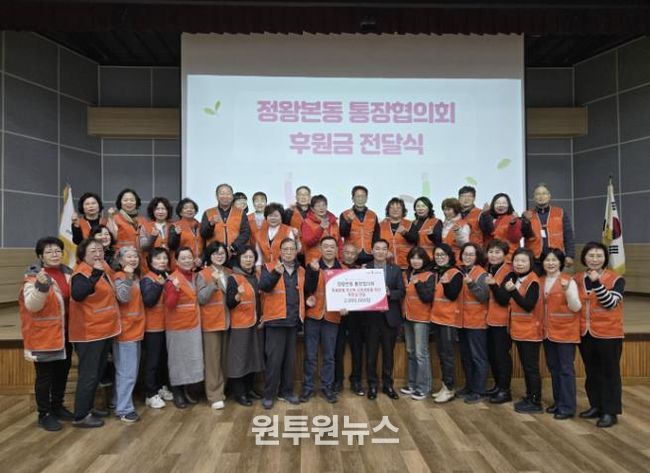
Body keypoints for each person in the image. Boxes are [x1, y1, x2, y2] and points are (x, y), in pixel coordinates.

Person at [18, 237, 73, 431]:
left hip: (66, 333)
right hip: (44, 336)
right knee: (44, 377)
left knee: (62, 372)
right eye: (49, 252)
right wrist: (41, 288)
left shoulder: (68, 273)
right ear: (41, 257)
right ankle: (44, 414)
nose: (54, 255)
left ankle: (57, 407)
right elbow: (32, 306)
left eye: (57, 251)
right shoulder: (33, 277)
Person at [69, 238, 120, 428]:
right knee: (88, 375)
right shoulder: (81, 273)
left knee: (97, 373)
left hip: (103, 330)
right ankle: (81, 415)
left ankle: (88, 408)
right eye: (93, 251)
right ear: (83, 255)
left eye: (100, 250)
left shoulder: (103, 268)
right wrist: (95, 274)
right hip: (88, 333)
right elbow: (78, 294)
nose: (98, 254)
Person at [576, 242, 625, 428]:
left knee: (609, 373)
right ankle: (596, 405)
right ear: (584, 258)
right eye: (591, 255)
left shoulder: (616, 279)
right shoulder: (577, 278)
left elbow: (610, 303)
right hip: (585, 332)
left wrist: (597, 283)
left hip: (609, 334)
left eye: (599, 256)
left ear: (605, 258)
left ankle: (610, 412)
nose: (594, 259)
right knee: (592, 371)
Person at [258, 238, 305, 409]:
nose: (289, 252)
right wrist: (275, 274)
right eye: (285, 249)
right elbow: (263, 286)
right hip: (275, 320)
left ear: (296, 251)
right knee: (274, 361)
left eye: (292, 249)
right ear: (280, 251)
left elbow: (304, 292)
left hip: (293, 321)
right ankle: (269, 394)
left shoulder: (301, 270)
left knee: (289, 361)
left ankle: (286, 392)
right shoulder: (268, 267)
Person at [301, 237, 344, 404]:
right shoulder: (312, 266)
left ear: (336, 249)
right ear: (320, 249)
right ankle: (307, 387)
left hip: (332, 317)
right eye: (325, 246)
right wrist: (313, 272)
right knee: (310, 355)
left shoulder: (343, 270)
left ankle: (327, 387)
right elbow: (307, 289)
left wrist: (346, 307)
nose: (329, 249)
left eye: (332, 246)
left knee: (329, 356)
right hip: (313, 316)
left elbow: (349, 294)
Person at [540, 248, 581, 420]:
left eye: (554, 260)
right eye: (547, 260)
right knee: (554, 368)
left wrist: (568, 291)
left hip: (566, 332)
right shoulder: (541, 280)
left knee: (565, 370)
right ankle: (558, 402)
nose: (550, 263)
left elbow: (576, 307)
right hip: (547, 332)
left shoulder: (568, 281)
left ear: (561, 263)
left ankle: (567, 407)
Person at [163, 247, 204, 409]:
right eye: (183, 258)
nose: (187, 261)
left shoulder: (196, 276)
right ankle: (177, 392)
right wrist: (175, 290)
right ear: (177, 261)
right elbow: (170, 304)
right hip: (178, 326)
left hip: (194, 324)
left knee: (192, 359)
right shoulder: (172, 279)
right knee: (177, 361)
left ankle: (189, 390)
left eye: (189, 258)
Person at [504, 248, 544, 414]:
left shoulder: (533, 281)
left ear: (530, 263)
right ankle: (530, 396)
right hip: (520, 330)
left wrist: (512, 291)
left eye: (523, 261)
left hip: (530, 332)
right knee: (527, 367)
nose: (519, 264)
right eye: (516, 261)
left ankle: (535, 401)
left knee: (531, 367)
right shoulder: (518, 278)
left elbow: (528, 305)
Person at [364, 239, 405, 400]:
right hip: (371, 318)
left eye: (383, 249)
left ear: (388, 252)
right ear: (372, 251)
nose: (380, 252)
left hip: (389, 318)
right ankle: (372, 385)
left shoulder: (395, 269)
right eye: (377, 249)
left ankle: (388, 385)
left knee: (389, 355)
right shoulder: (365, 268)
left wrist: (390, 293)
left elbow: (401, 291)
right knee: (371, 355)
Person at [226, 245, 264, 406]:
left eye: (251, 257)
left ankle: (249, 389)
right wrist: (237, 296)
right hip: (239, 324)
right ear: (239, 259)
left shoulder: (255, 276)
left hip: (255, 323)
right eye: (245, 257)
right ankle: (239, 393)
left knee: (252, 357)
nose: (248, 260)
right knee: (239, 359)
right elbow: (229, 303)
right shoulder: (233, 278)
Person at [112, 246, 146, 423]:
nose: (133, 259)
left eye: (135, 256)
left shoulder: (134, 276)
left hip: (135, 329)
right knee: (127, 372)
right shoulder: (120, 277)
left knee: (126, 370)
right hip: (126, 331)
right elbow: (123, 297)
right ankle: (124, 409)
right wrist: (127, 276)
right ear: (120, 260)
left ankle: (118, 402)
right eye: (129, 256)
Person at [196, 242, 231, 410]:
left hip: (227, 321)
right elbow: (201, 298)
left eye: (222, 253)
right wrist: (213, 284)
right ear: (210, 256)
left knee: (224, 359)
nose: (219, 256)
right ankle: (214, 395)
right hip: (211, 323)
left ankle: (222, 390)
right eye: (216, 253)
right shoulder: (203, 274)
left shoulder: (229, 273)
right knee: (212, 361)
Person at [140, 247, 173, 409]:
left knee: (163, 360)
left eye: (165, 258)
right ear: (150, 261)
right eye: (158, 258)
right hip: (152, 327)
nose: (162, 261)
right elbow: (149, 301)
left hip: (166, 325)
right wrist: (159, 285)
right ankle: (150, 393)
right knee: (152, 362)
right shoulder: (148, 279)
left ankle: (161, 387)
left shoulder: (167, 276)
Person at [430, 243, 463, 403]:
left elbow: (452, 295)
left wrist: (445, 283)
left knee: (447, 355)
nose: (440, 258)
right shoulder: (438, 272)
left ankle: (449, 388)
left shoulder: (455, 273)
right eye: (437, 255)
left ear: (449, 256)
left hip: (448, 320)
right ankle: (445, 385)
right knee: (442, 354)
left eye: (443, 255)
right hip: (437, 318)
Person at [457, 243, 490, 404]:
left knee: (478, 357)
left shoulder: (482, 274)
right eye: (465, 254)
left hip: (477, 322)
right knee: (466, 357)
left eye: (471, 254)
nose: (467, 257)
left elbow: (483, 297)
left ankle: (479, 390)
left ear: (477, 257)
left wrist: (471, 284)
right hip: (463, 321)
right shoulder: (462, 271)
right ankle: (469, 386)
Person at [401, 246, 434, 400]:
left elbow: (427, 297)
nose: (415, 261)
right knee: (411, 351)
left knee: (421, 354)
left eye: (419, 258)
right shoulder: (406, 274)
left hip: (422, 318)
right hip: (407, 317)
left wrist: (418, 283)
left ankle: (423, 387)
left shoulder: (429, 275)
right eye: (413, 258)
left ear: (424, 260)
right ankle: (412, 384)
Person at [484, 239, 514, 404]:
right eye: (491, 252)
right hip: (491, 319)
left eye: (497, 252)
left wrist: (494, 285)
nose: (493, 255)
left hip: (503, 321)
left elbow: (504, 299)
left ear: (504, 254)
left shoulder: (509, 271)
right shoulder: (490, 268)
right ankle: (498, 385)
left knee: (502, 356)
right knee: (493, 355)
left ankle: (505, 390)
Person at [522, 183, 575, 273]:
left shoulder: (560, 213)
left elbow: (568, 235)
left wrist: (570, 255)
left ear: (549, 196)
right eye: (538, 194)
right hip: (535, 258)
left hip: (555, 257)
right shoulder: (527, 214)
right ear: (534, 198)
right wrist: (526, 221)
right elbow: (525, 235)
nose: (541, 196)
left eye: (544, 193)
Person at [339, 243, 366, 396]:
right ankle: (337, 381)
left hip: (357, 317)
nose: (349, 255)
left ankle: (356, 381)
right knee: (338, 350)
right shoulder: (335, 269)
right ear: (342, 253)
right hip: (339, 316)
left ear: (356, 256)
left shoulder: (361, 271)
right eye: (347, 252)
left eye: (352, 253)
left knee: (357, 350)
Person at [200, 183, 251, 261]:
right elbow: (204, 234)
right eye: (222, 193)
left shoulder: (241, 213)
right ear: (217, 196)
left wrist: (232, 248)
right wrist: (210, 225)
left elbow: (245, 233)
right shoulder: (208, 213)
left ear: (232, 196)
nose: (225, 196)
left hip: (235, 255)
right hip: (214, 255)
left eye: (228, 194)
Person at [339, 185, 380, 265]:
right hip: (351, 256)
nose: (360, 199)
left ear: (366, 198)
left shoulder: (373, 215)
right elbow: (342, 233)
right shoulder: (345, 214)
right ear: (353, 198)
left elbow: (376, 236)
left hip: (369, 256)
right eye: (358, 196)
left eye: (363, 196)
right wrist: (348, 222)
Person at [479, 193, 522, 262]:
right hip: (490, 258)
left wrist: (513, 223)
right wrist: (485, 215)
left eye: (504, 203)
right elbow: (486, 232)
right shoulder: (488, 217)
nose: (501, 205)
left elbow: (515, 238)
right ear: (493, 205)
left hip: (508, 259)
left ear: (509, 205)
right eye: (497, 203)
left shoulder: (513, 218)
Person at [301, 194, 342, 263]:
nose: (321, 208)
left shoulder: (334, 222)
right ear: (312, 209)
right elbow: (308, 242)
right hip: (315, 263)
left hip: (334, 262)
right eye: (318, 206)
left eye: (323, 205)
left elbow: (339, 243)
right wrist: (321, 229)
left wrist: (341, 259)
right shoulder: (307, 222)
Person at [255, 203, 298, 267]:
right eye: (270, 215)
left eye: (276, 216)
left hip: (284, 267)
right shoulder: (259, 233)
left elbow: (292, 252)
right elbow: (259, 255)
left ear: (281, 217)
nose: (273, 218)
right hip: (266, 268)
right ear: (266, 217)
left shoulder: (288, 231)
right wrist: (258, 266)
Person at [169, 198, 203, 269]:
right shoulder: (175, 226)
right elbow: (172, 246)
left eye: (192, 208)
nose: (189, 210)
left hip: (198, 265)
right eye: (186, 208)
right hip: (181, 264)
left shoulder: (201, 226)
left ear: (195, 211)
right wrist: (176, 235)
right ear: (180, 212)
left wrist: (201, 259)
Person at [379, 197, 413, 270]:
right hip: (387, 265)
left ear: (403, 210)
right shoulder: (380, 225)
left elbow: (416, 240)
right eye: (392, 208)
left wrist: (405, 233)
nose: (395, 210)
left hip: (407, 266)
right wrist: (385, 251)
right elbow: (375, 243)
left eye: (398, 208)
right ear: (388, 210)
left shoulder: (410, 224)